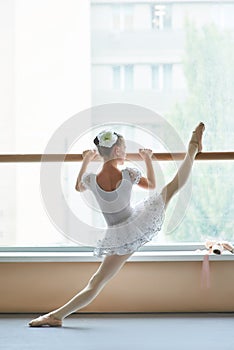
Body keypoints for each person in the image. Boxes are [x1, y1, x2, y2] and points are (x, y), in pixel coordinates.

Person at [29, 122, 205, 327]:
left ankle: (56, 316)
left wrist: (86, 160)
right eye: (125, 150)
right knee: (172, 187)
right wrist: (148, 159)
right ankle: (192, 147)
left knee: (96, 282)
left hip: (119, 233)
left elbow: (78, 187)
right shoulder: (128, 173)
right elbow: (152, 185)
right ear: (118, 150)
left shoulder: (91, 179)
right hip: (136, 223)